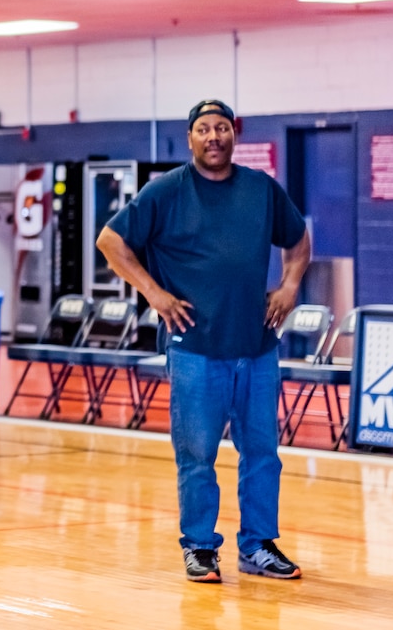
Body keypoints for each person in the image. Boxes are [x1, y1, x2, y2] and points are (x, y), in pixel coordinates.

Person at [96, 99, 311, 584]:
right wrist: (154, 292)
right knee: (197, 457)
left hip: (257, 347)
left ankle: (257, 545)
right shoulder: (167, 191)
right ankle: (199, 547)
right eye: (202, 129)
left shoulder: (261, 189)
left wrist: (290, 285)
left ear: (234, 135)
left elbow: (298, 241)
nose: (213, 136)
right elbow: (111, 241)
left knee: (262, 453)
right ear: (190, 138)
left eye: (221, 128)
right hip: (195, 349)